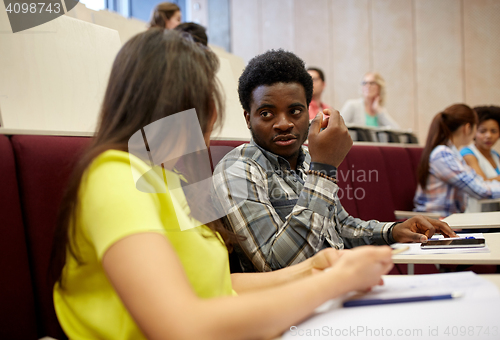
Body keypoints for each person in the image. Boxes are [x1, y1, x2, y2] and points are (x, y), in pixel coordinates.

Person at [50, 29, 395, 340]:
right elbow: (183, 326)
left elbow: (217, 285)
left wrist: (313, 269)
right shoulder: (115, 177)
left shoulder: (177, 179)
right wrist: (334, 282)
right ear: (200, 110)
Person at [211, 49, 455, 273]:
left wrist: (392, 230)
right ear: (248, 118)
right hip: (291, 309)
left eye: (295, 111)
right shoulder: (238, 169)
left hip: (339, 287)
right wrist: (323, 170)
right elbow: (279, 265)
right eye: (266, 113)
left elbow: (339, 226)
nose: (284, 123)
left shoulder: (308, 159)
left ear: (309, 112)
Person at [414, 104, 500, 217]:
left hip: (451, 221)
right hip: (437, 223)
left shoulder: (452, 153)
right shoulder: (443, 154)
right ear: (467, 128)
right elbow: (480, 191)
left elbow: (478, 183)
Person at [460, 105, 500, 212]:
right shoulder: (467, 153)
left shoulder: (495, 155)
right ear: (473, 132)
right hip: (476, 214)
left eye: (494, 131)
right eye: (482, 131)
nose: (488, 136)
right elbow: (482, 182)